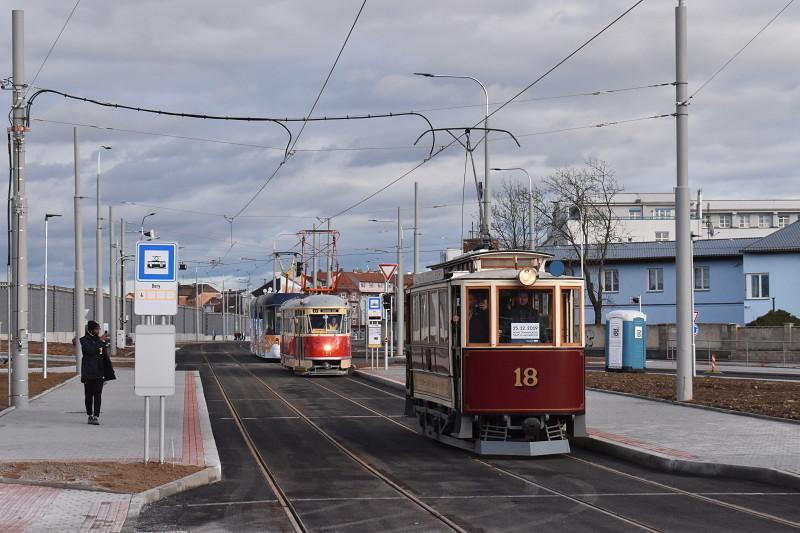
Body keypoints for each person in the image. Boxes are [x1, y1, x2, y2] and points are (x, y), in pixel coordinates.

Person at [80, 320, 108, 425]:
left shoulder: (99, 340)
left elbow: (103, 356)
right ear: (92, 330)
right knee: (88, 396)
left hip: (99, 373)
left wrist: (107, 372)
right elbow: (90, 351)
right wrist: (100, 341)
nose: (99, 331)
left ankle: (96, 416)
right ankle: (89, 415)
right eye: (97, 329)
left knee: (98, 395)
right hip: (88, 373)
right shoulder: (84, 340)